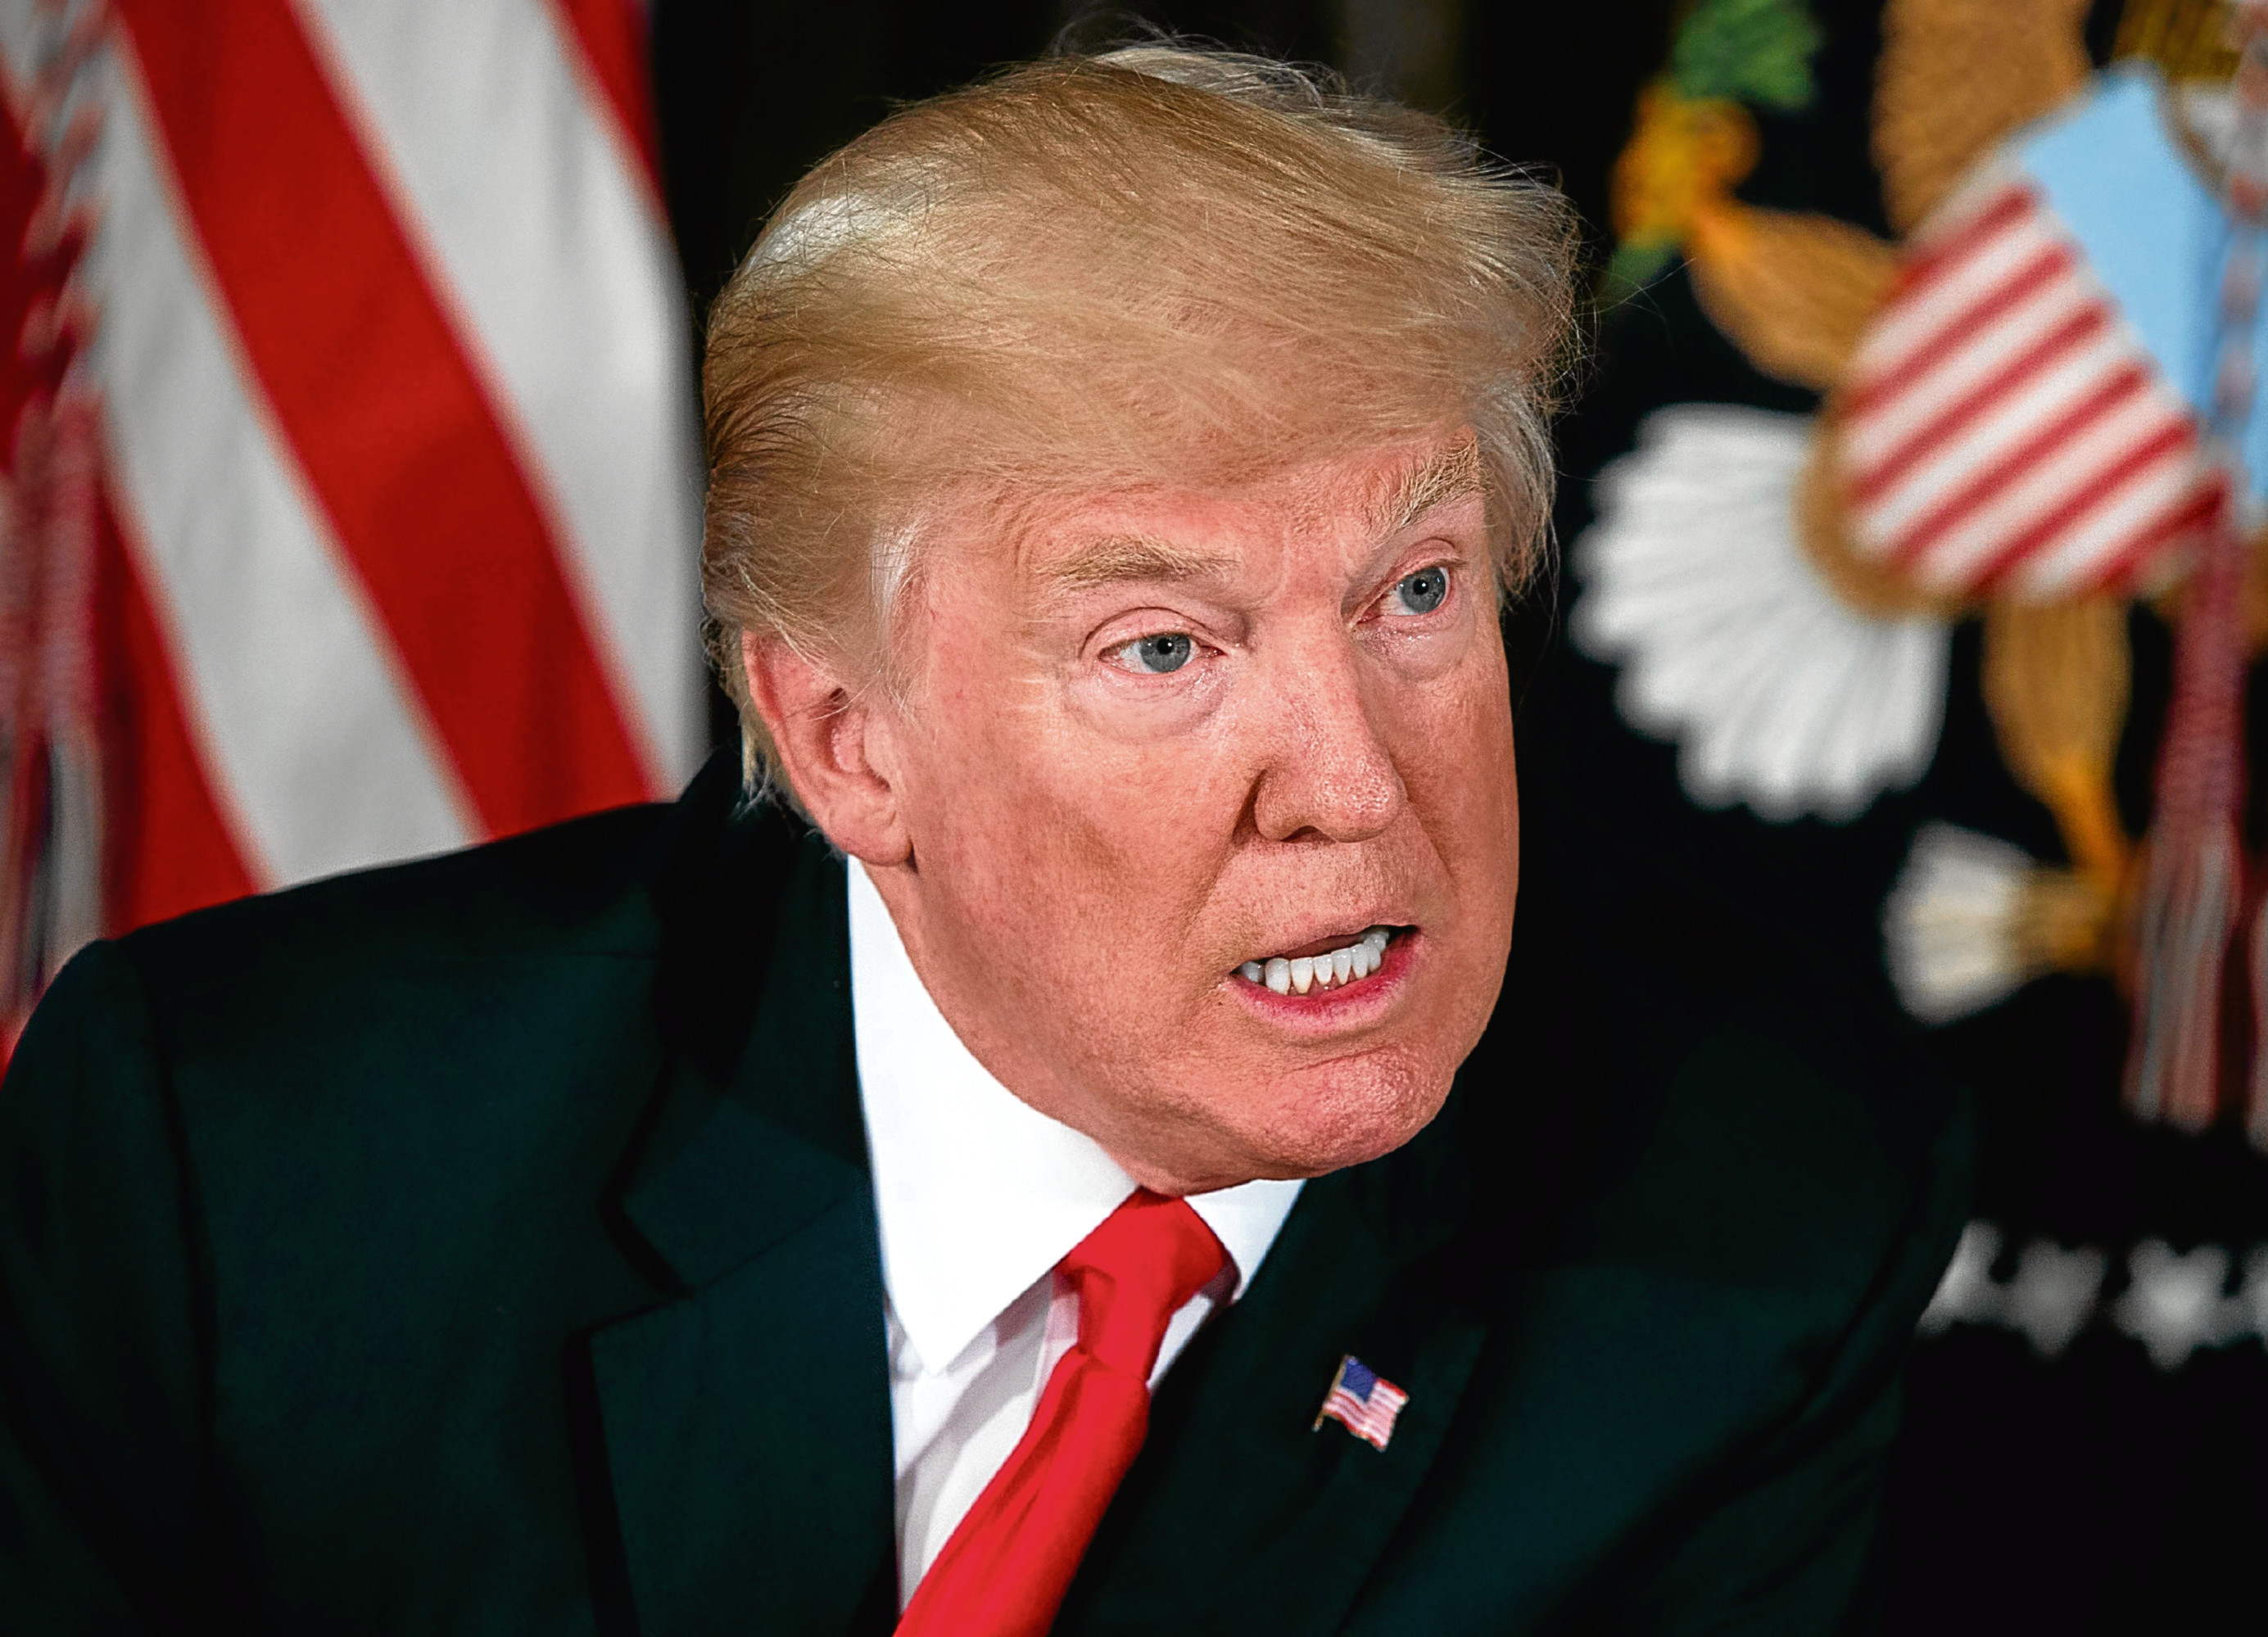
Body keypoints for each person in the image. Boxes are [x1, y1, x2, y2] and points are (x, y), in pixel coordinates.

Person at [0, 46, 1968, 1636]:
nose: (1359, 783)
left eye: (1416, 593)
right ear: (848, 744)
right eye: (1166, 646)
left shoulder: (1745, 1244)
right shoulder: (245, 1175)